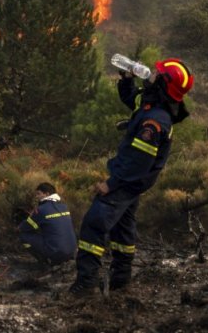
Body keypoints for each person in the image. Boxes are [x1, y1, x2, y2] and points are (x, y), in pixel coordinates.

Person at [70, 58, 194, 296]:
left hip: (127, 180)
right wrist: (127, 80)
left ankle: (85, 285)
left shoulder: (155, 121)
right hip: (133, 182)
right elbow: (132, 99)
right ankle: (121, 280)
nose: (151, 74)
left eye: (156, 74)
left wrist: (111, 184)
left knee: (94, 224)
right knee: (123, 229)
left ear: (163, 83)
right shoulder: (153, 104)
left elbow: (139, 162)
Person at [17, 182, 77, 267]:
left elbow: (24, 228)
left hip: (56, 252)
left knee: (24, 236)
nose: (36, 197)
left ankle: (45, 262)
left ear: (47, 194)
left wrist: (29, 218)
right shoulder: (64, 206)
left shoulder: (41, 210)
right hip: (72, 251)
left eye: (38, 194)